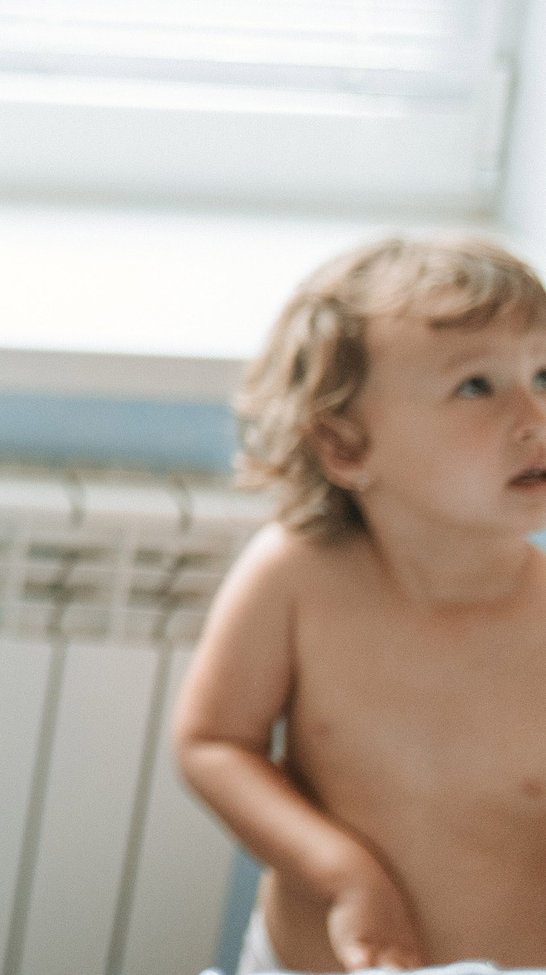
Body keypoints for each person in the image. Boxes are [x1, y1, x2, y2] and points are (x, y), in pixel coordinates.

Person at [172, 235, 546, 972]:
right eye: (477, 385)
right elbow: (213, 743)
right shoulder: (297, 577)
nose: (532, 412)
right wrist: (345, 875)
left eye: (543, 373)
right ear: (345, 445)